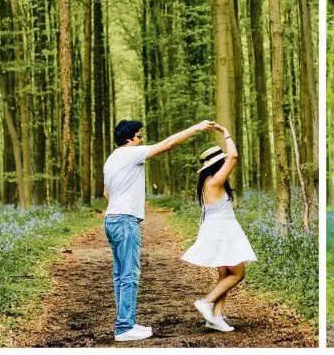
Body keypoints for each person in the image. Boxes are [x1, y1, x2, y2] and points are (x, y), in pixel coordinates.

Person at [103, 119, 214, 342]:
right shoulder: (130, 154)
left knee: (120, 275)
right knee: (129, 274)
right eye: (139, 136)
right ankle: (124, 328)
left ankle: (127, 322)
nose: (142, 140)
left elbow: (106, 193)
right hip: (124, 221)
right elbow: (168, 144)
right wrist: (196, 128)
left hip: (112, 219)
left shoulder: (111, 160)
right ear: (129, 139)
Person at [182, 123, 257, 332]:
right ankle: (206, 303)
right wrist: (226, 133)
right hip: (222, 231)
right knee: (238, 272)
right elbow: (234, 156)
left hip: (217, 229)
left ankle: (215, 317)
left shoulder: (208, 181)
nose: (226, 163)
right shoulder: (214, 180)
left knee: (225, 273)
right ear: (218, 164)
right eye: (222, 161)